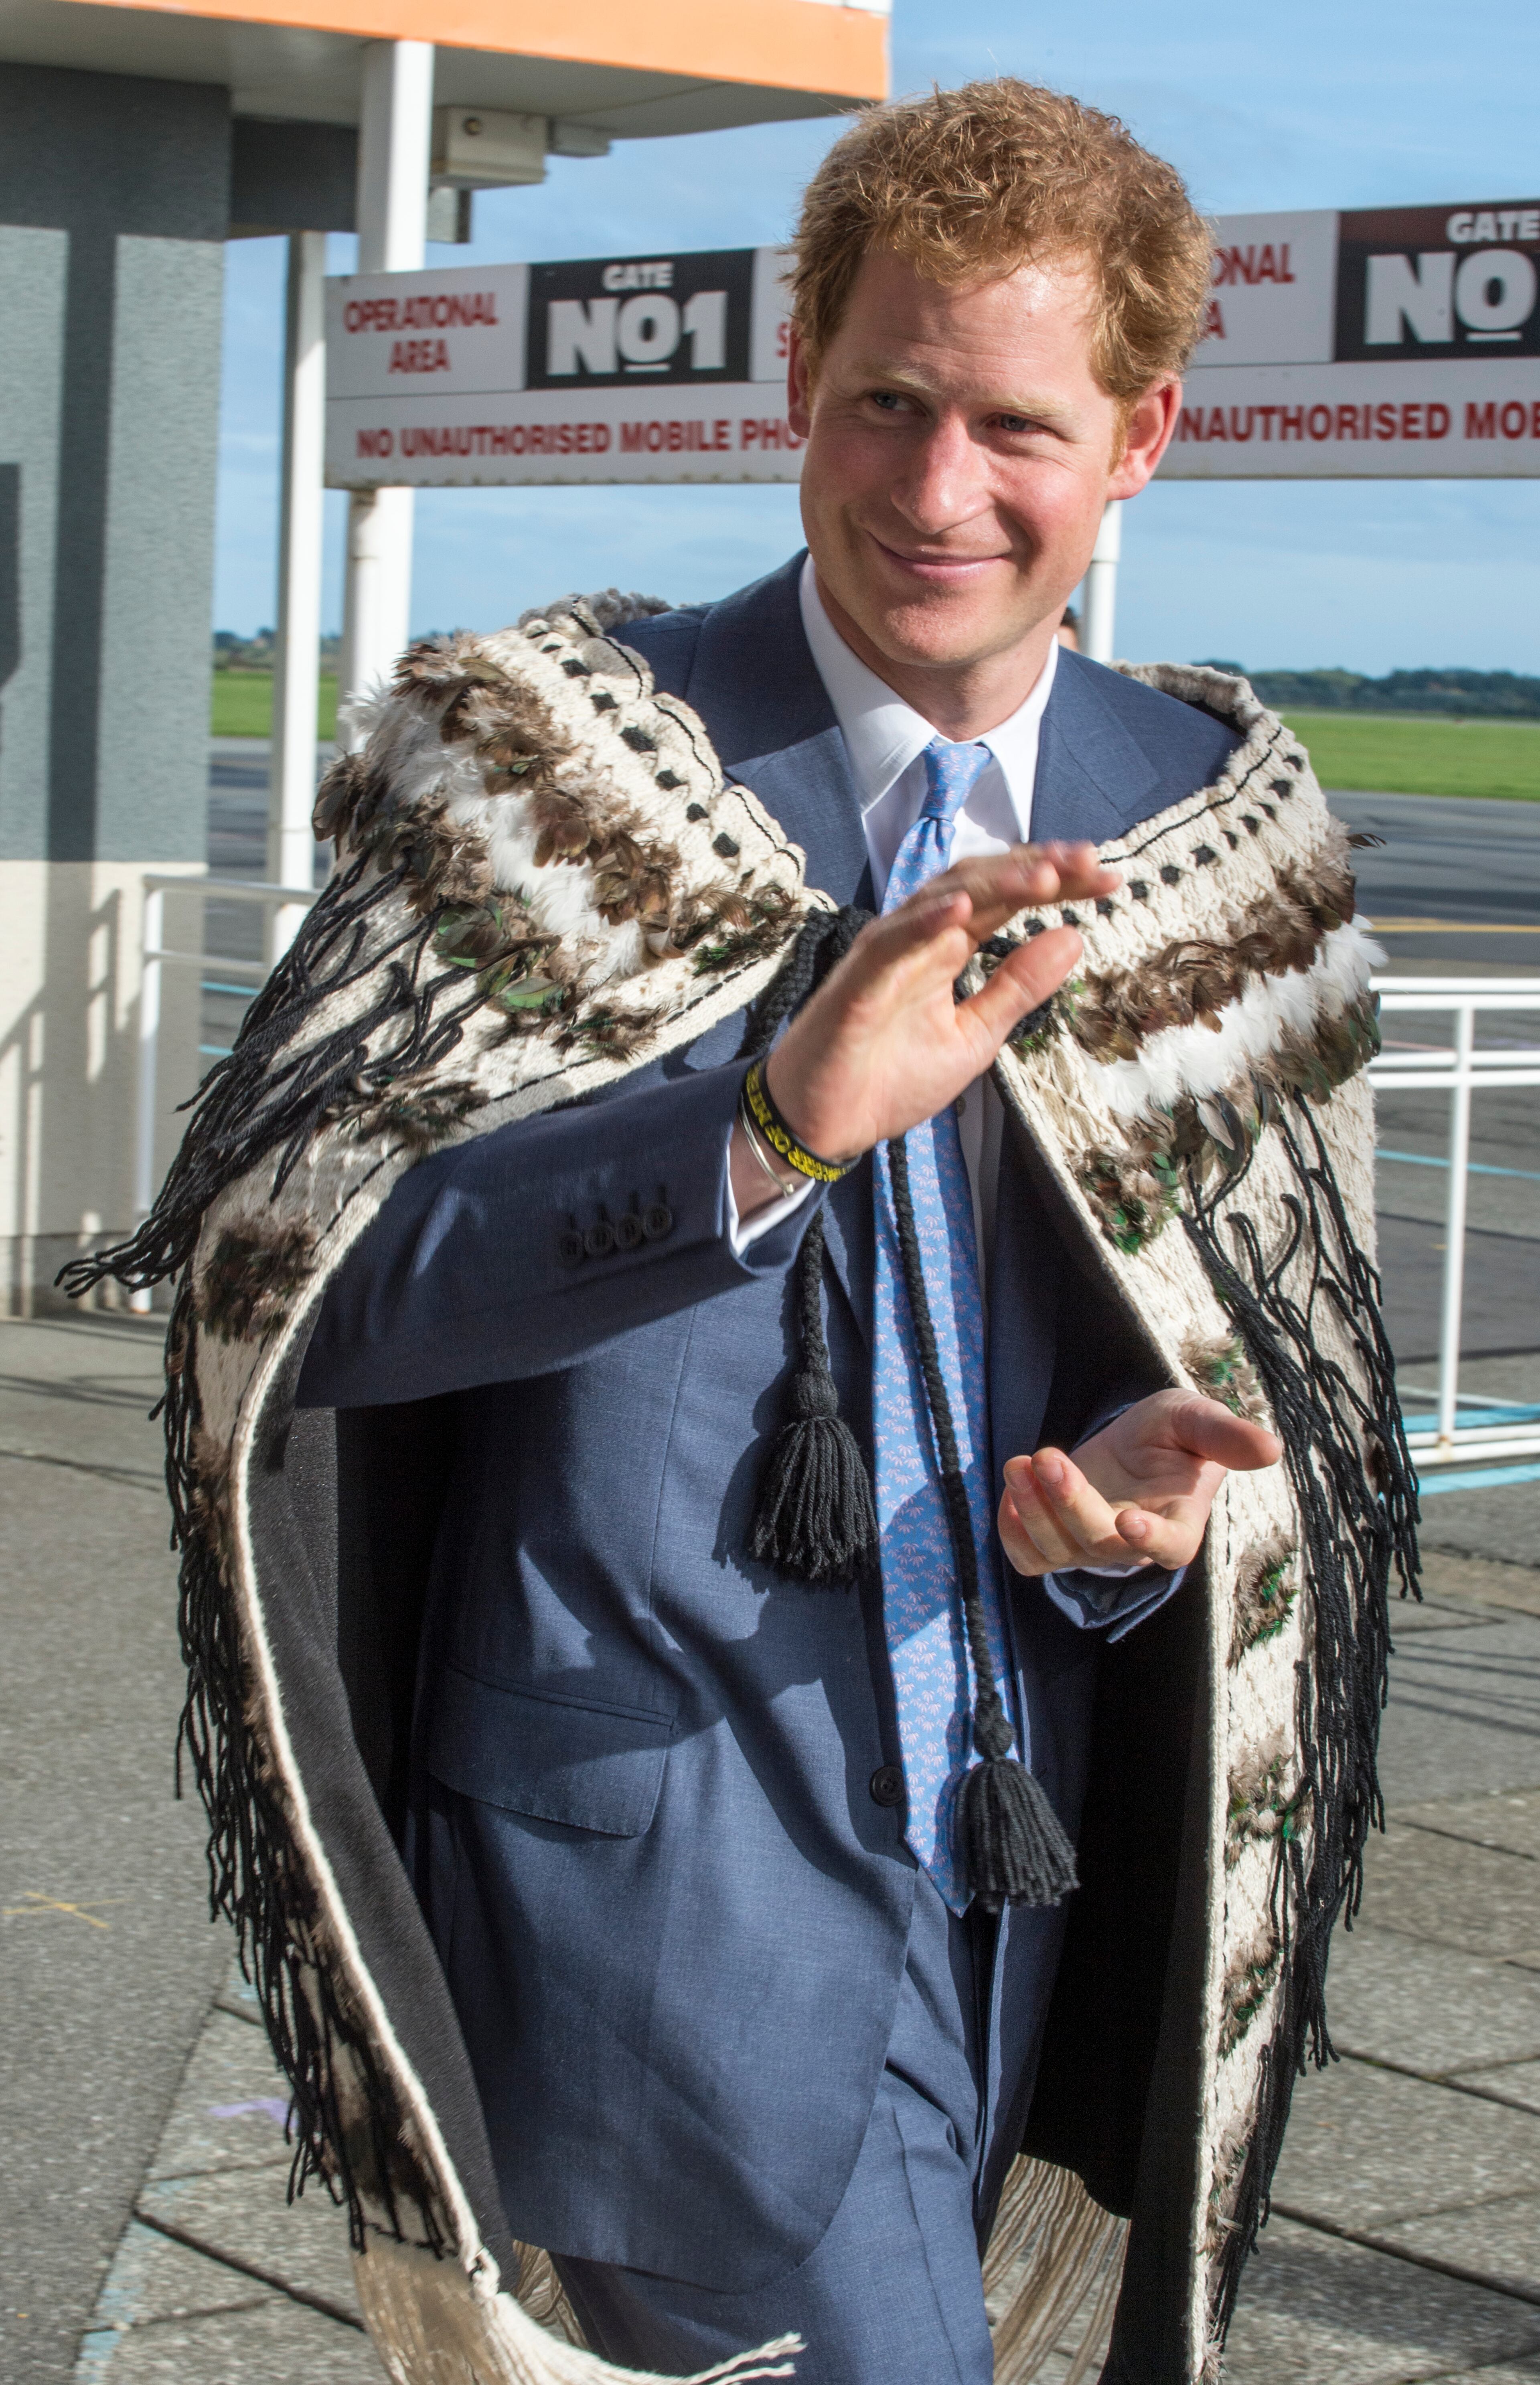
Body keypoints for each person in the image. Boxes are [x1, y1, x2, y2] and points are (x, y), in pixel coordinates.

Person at [74, 75, 1408, 2385]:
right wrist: (767, 1132)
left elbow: (1229, 1351)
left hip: (1043, 1889)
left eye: (1012, 423)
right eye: (885, 400)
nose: (933, 489)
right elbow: (299, 1294)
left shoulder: (1208, 829)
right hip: (643, 1890)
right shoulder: (549, 770)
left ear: (1145, 436)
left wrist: (1127, 1516)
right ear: (798, 373)